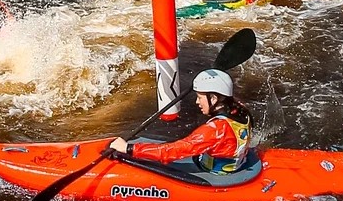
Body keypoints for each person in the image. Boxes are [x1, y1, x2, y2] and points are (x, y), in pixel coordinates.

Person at [107, 69, 255, 175]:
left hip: (215, 175)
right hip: (235, 164)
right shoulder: (241, 110)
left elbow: (171, 152)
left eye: (200, 97)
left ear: (214, 99)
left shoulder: (214, 131)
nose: (197, 102)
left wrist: (129, 149)